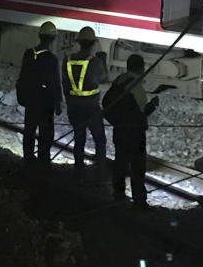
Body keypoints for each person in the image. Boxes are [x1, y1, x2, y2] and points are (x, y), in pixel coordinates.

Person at [103, 54, 159, 207]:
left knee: (120, 163)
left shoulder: (120, 79)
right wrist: (154, 104)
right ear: (141, 68)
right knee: (137, 167)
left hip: (119, 129)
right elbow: (144, 110)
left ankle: (118, 193)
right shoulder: (136, 86)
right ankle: (139, 200)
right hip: (134, 132)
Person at [63, 26, 109, 180]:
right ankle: (100, 172)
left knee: (79, 138)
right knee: (100, 140)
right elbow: (103, 78)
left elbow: (64, 83)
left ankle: (78, 171)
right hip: (91, 108)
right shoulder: (95, 61)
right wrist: (103, 60)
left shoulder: (67, 60)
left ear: (79, 42)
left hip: (74, 107)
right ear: (93, 43)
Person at [16, 21, 63, 168]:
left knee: (29, 130)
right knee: (46, 134)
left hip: (31, 99)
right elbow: (55, 83)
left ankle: (28, 158)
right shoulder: (51, 59)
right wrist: (58, 102)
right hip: (45, 102)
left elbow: (23, 75)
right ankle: (44, 161)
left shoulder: (29, 53)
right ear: (53, 38)